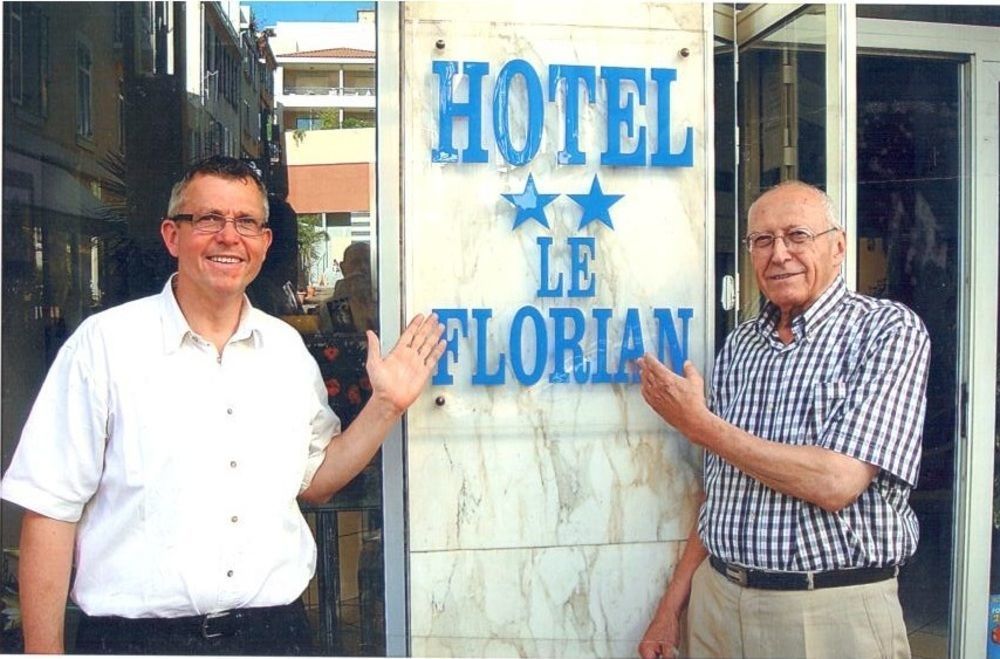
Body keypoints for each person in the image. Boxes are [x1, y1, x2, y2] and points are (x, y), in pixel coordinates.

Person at [0, 156, 446, 655]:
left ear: (264, 243)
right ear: (172, 235)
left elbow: (315, 480)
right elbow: (49, 513)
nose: (229, 237)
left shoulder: (285, 352)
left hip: (272, 636)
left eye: (246, 222)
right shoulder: (105, 346)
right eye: (209, 218)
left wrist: (386, 404)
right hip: (138, 641)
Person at [636, 181, 930, 658]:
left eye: (797, 235)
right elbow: (718, 493)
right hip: (718, 605)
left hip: (827, 614)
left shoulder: (887, 330)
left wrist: (700, 425)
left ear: (837, 247)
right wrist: (671, 607)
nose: (779, 254)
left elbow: (837, 481)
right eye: (763, 241)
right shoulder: (741, 345)